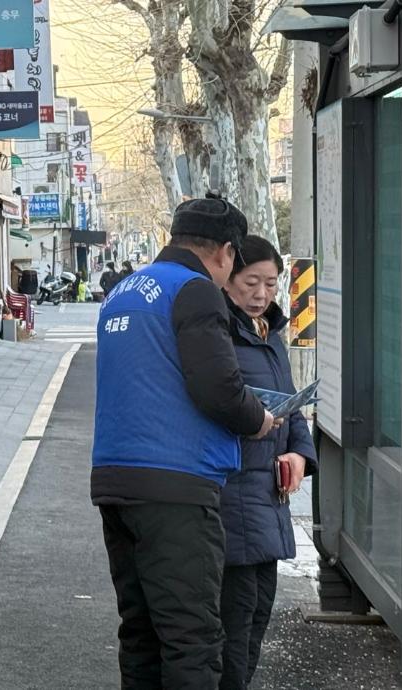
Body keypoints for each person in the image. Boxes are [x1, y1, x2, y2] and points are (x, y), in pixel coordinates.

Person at [92, 196, 276, 688]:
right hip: (175, 486)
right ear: (226, 252)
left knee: (142, 633)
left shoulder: (123, 290)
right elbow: (218, 388)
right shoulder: (194, 290)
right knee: (192, 639)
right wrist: (257, 417)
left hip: (114, 479)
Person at [219, 236, 317, 689]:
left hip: (268, 491)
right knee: (234, 619)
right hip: (233, 489)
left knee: (258, 611)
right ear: (226, 279)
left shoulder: (271, 336)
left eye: (271, 284)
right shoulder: (217, 334)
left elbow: (291, 404)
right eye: (250, 282)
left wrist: (300, 452)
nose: (261, 295)